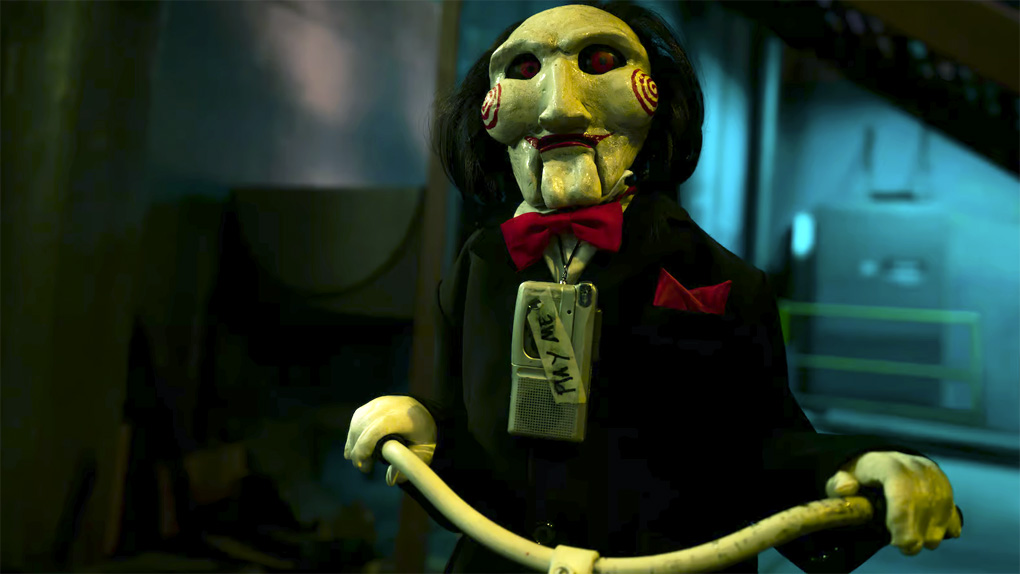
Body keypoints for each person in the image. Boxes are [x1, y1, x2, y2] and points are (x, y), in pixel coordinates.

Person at [345, 3, 962, 572]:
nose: (558, 109)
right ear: (490, 108)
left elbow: (762, 453)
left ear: (656, 101)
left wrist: (860, 468)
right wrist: (424, 429)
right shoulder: (479, 266)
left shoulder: (719, 281)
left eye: (599, 61)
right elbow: (474, 451)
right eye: (526, 68)